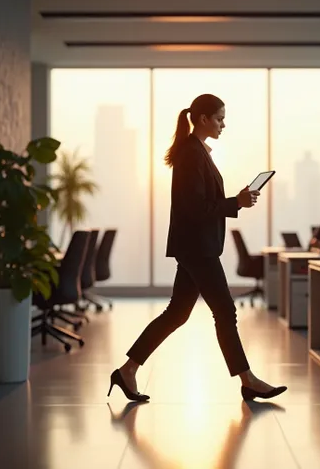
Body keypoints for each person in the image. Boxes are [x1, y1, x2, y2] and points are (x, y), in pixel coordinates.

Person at [108, 94, 287, 402]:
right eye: (219, 118)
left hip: (195, 246)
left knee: (177, 313)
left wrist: (236, 201)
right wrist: (236, 203)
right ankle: (248, 380)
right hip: (197, 248)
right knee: (225, 310)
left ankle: (127, 370)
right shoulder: (191, 153)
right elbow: (194, 208)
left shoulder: (198, 151)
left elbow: (201, 202)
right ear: (203, 118)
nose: (223, 124)